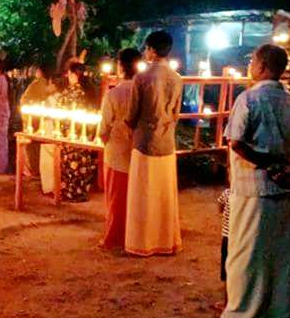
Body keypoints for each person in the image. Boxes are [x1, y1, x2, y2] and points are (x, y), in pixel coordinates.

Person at [221, 44, 290, 318]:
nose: (249, 67)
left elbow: (235, 142)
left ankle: (244, 311)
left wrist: (266, 163)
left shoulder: (248, 99)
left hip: (252, 187)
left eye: (252, 62)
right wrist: (282, 166)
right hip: (282, 187)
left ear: (261, 66)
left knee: (246, 251)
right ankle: (277, 309)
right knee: (277, 251)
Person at [125, 31, 183, 256]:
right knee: (164, 195)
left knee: (143, 195)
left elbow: (132, 115)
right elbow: (176, 113)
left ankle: (142, 243)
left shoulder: (142, 77)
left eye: (146, 48)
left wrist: (131, 126)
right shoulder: (177, 78)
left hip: (145, 142)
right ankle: (165, 241)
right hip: (167, 142)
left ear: (152, 50)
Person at [99, 47, 140, 248]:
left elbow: (104, 126)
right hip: (139, 151)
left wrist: (107, 140)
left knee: (116, 197)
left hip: (117, 150)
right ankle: (136, 235)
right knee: (136, 197)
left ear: (120, 67)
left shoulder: (114, 93)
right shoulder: (143, 91)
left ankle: (115, 237)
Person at [40, 61, 98, 201]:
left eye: (70, 73)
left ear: (74, 75)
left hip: (70, 132)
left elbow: (61, 108)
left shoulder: (74, 92)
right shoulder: (88, 91)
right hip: (83, 133)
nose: (68, 76)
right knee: (81, 163)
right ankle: (80, 191)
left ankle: (71, 191)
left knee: (70, 163)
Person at [18, 64, 56, 178]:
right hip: (41, 118)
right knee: (38, 145)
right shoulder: (46, 85)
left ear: (40, 71)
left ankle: (32, 170)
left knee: (31, 145)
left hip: (32, 117)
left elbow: (25, 99)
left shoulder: (37, 83)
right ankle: (37, 169)